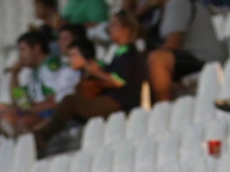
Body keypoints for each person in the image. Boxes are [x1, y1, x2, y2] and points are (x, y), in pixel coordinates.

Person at [31, 20, 149, 148]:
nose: (109, 28)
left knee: (69, 102)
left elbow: (118, 81)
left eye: (74, 55)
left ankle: (42, 136)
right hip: (110, 100)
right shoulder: (118, 53)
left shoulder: (127, 53)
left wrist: (96, 73)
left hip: (120, 102)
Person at [0, 30, 79, 147]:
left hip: (51, 116)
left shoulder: (50, 67)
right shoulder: (34, 73)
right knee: (3, 114)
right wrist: (15, 75)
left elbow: (55, 101)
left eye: (22, 50)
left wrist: (30, 108)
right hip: (38, 114)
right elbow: (20, 101)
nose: (20, 55)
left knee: (6, 116)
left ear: (36, 48)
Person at [147, 0, 227, 102]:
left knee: (157, 59)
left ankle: (164, 107)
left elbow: (174, 43)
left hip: (206, 61)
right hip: (190, 59)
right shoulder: (160, 12)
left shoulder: (177, 3)